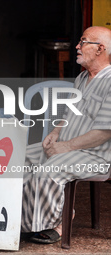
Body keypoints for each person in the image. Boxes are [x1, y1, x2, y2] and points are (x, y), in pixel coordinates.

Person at [21, 26, 111, 244]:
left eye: (83, 42)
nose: (77, 47)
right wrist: (55, 132)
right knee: (20, 158)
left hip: (96, 155)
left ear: (100, 49)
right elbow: (69, 113)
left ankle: (58, 223)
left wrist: (65, 147)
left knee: (51, 168)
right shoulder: (82, 78)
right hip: (68, 145)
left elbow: (103, 133)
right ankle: (23, 220)